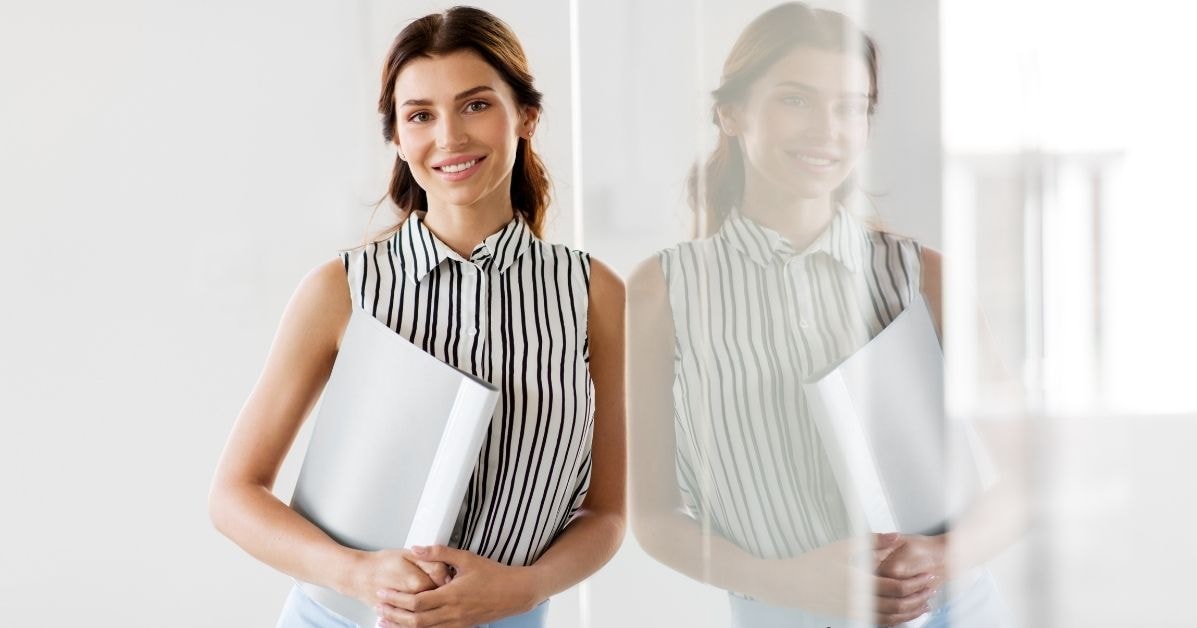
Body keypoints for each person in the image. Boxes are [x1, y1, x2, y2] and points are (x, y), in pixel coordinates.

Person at [207, 7, 626, 628]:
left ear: (527, 116)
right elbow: (234, 495)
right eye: (421, 115)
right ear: (398, 138)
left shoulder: (593, 293)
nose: (449, 137)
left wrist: (525, 588)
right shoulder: (343, 289)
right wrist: (355, 573)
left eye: (477, 105)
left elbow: (607, 512)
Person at [626, 3, 1014, 626]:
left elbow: (1026, 478)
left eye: (850, 107)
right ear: (730, 112)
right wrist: (783, 582)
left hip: (951, 610)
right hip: (781, 615)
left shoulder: (924, 277)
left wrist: (943, 557)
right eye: (796, 100)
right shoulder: (663, 291)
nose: (827, 130)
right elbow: (654, 517)